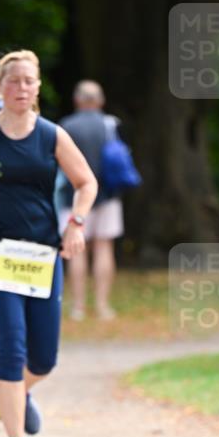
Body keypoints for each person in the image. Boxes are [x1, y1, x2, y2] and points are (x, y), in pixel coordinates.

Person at [0, 49, 97, 437]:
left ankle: (16, 395)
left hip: (42, 254)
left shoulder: (51, 135)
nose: (21, 88)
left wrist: (76, 223)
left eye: (28, 81)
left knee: (43, 359)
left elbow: (86, 182)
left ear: (38, 87)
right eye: (13, 80)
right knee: (11, 348)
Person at [57, 80, 126, 321]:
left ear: (77, 100)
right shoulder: (111, 124)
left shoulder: (66, 126)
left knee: (76, 250)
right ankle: (102, 305)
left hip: (73, 197)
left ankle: (78, 307)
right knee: (104, 247)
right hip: (107, 195)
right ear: (100, 101)